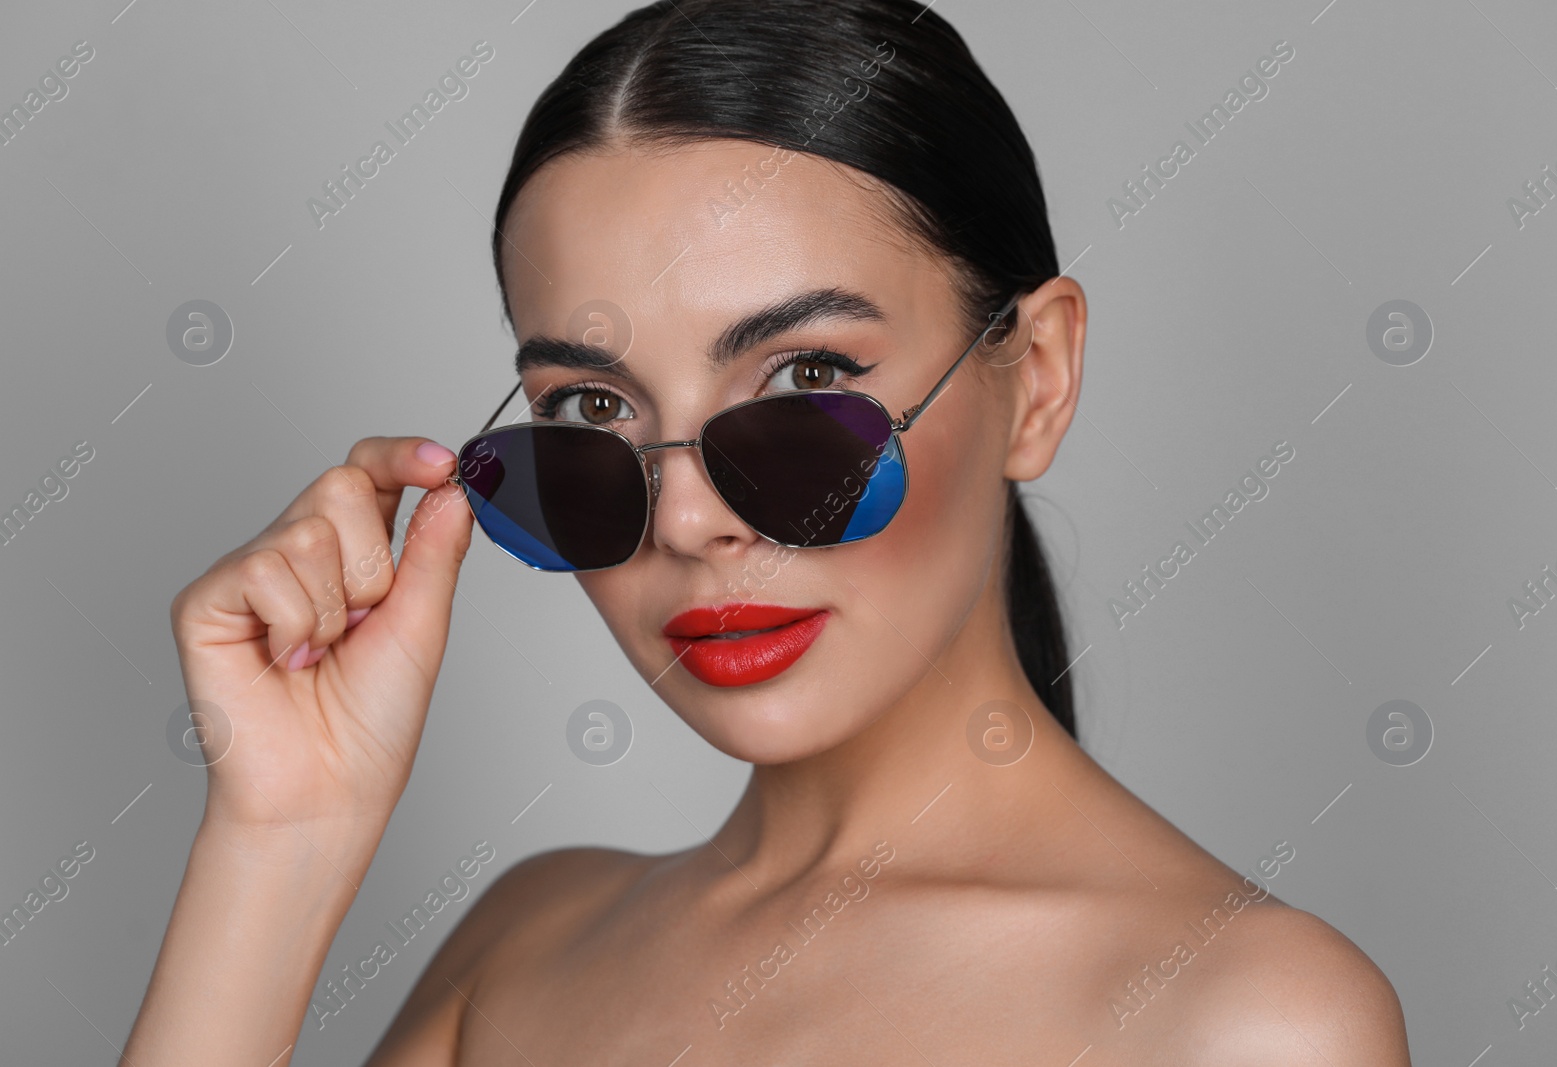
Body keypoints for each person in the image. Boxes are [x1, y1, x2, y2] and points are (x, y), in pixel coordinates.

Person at [127, 1, 1412, 1062]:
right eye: (588, 409)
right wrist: (280, 839)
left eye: (805, 383)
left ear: (1038, 375)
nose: (687, 519)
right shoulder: (524, 945)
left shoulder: (1247, 1016)